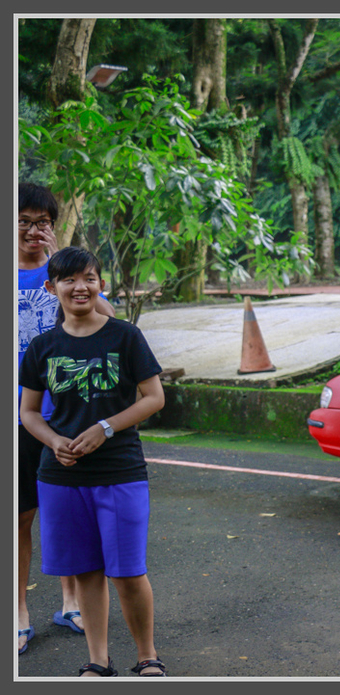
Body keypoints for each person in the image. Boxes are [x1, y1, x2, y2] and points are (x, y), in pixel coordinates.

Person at [19, 246, 167, 677]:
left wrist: (105, 428)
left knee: (127, 572)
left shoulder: (125, 336)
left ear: (101, 283)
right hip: (60, 475)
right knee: (85, 571)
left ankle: (147, 656)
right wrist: (52, 440)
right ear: (52, 288)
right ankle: (98, 662)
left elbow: (154, 397)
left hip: (119, 471)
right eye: (68, 280)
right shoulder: (43, 348)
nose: (80, 287)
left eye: (88, 278)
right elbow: (27, 411)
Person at [17, 183, 115, 655]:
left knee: (70, 514)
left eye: (44, 222)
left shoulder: (69, 276)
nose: (35, 231)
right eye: (25, 221)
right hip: (21, 416)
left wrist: (63, 266)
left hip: (71, 415)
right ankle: (17, 612)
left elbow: (111, 323)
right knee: (19, 517)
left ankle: (71, 603)